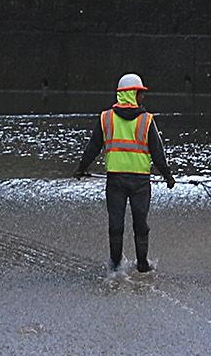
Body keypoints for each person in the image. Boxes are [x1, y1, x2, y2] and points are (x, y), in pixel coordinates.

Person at [74, 73, 174, 272]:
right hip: (140, 182)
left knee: (116, 223)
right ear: (131, 94)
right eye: (140, 93)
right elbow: (158, 153)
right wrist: (168, 176)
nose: (143, 97)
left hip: (115, 180)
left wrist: (81, 169)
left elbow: (92, 148)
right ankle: (143, 264)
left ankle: (115, 265)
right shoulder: (146, 120)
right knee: (140, 223)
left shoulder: (106, 118)